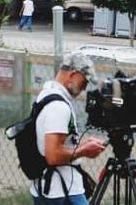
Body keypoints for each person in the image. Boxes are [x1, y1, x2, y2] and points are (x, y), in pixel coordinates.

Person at [29, 53, 107, 204]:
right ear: (73, 74)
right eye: (84, 82)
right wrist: (84, 151)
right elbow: (53, 155)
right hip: (61, 189)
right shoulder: (58, 106)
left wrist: (82, 145)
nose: (84, 88)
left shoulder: (48, 93)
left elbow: (58, 144)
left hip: (52, 187)